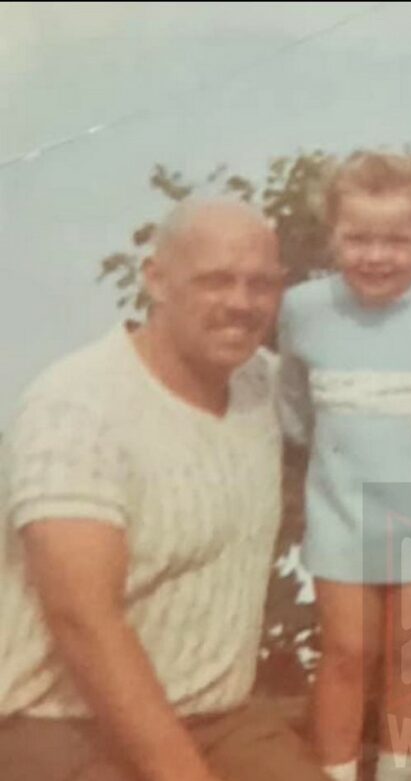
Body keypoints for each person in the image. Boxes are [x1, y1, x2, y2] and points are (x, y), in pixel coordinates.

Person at [0, 199, 330, 781]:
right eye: (215, 281)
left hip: (220, 718)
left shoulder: (264, 385)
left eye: (261, 284)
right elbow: (82, 618)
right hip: (56, 725)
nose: (240, 303)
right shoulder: (76, 406)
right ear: (156, 280)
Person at [276, 151, 411, 781]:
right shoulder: (303, 308)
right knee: (346, 650)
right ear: (333, 233)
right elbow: (293, 405)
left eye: (397, 240)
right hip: (340, 505)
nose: (376, 255)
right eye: (358, 237)